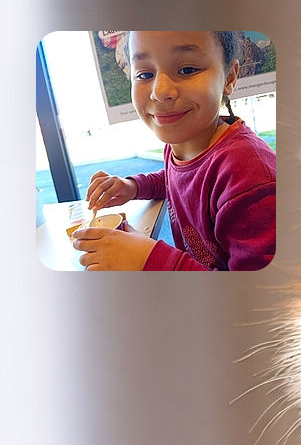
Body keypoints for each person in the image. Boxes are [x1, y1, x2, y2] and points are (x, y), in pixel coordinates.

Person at [74, 30, 276, 271]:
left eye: (187, 70)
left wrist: (150, 259)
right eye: (145, 74)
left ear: (229, 78)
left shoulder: (250, 176)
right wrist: (133, 187)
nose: (160, 91)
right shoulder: (183, 146)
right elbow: (177, 180)